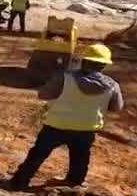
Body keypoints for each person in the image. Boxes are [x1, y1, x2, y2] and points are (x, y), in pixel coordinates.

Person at [9, 44, 124, 190]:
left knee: (38, 154)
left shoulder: (64, 77)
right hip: (86, 128)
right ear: (104, 66)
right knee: (80, 157)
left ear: (84, 61)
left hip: (56, 125)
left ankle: (19, 182)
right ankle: (74, 182)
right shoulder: (113, 85)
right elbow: (116, 107)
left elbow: (43, 94)